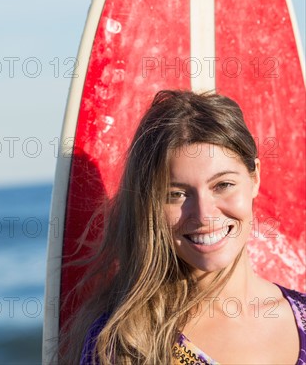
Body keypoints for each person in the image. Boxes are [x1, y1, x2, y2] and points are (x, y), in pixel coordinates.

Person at [60, 89, 306, 365]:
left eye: (222, 185)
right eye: (175, 194)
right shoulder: (126, 346)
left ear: (255, 178)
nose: (203, 215)